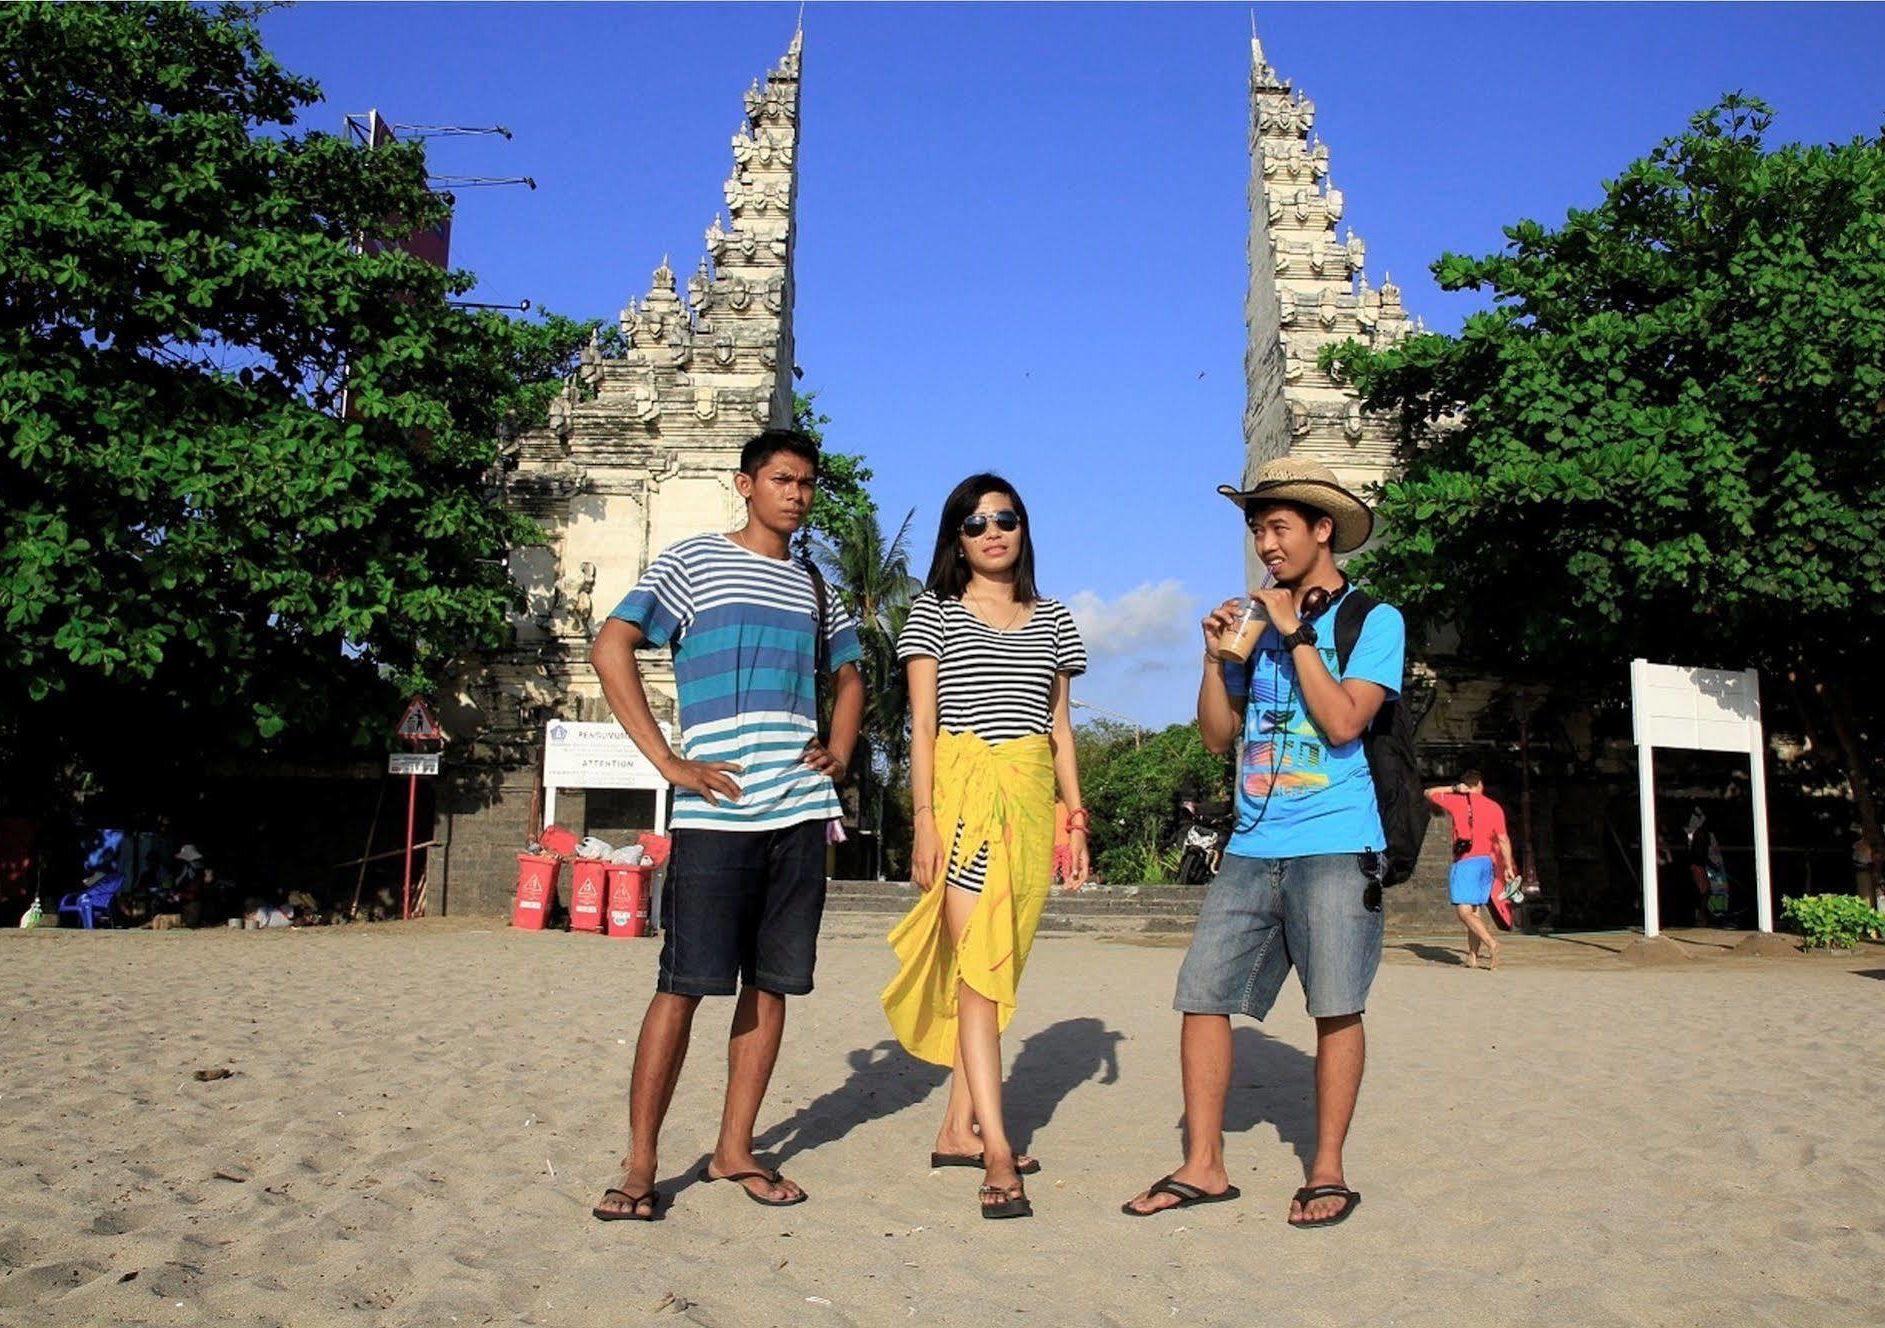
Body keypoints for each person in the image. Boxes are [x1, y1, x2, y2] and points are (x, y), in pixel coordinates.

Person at [587, 428, 865, 1223]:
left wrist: (839, 748)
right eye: (782, 478)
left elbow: (849, 673)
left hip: (800, 813)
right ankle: (640, 1165)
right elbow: (614, 645)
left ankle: (733, 1147)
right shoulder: (693, 564)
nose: (797, 493)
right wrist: (670, 764)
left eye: (807, 482)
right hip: (716, 811)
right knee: (682, 985)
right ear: (745, 485)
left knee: (771, 984)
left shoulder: (817, 584)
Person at [1123, 456, 1404, 1230]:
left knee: (1336, 1005)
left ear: (1322, 530)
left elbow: (1347, 721)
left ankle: (1326, 1169)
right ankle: (1203, 1164)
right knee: (1200, 995)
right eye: (1256, 529)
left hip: (1337, 841)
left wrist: (1298, 634)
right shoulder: (1251, 622)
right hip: (1250, 844)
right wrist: (1216, 658)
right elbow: (1219, 735)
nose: (1265, 543)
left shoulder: (1372, 620)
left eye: (1277, 527)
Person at [883, 474, 1091, 1221]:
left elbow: (1059, 728)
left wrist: (1075, 816)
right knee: (979, 971)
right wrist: (924, 822)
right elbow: (921, 724)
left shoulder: (1056, 618)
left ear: (1023, 527)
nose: (992, 530)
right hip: (965, 803)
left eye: (1005, 518)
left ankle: (954, 1128)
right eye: (975, 522)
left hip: (1032, 805)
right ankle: (997, 1149)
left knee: (1004, 963)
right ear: (956, 538)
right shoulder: (932, 614)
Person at [1424, 770, 1516, 969]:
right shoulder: (1494, 807)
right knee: (1475, 911)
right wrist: (1508, 866)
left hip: (1466, 861)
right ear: (1480, 784)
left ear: (1465, 786)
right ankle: (1472, 956)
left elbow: (1428, 792)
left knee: (1464, 912)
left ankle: (1492, 943)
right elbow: (1503, 839)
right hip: (1487, 863)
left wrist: (1454, 789)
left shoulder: (1457, 802)